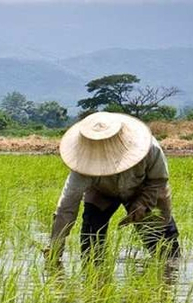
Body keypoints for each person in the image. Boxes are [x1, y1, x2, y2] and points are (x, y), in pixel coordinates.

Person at [44, 112, 179, 266]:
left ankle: (168, 277)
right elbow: (66, 207)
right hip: (101, 193)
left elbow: (159, 180)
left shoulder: (149, 148)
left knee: (166, 248)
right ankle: (95, 281)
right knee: (91, 244)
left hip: (143, 189)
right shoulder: (82, 165)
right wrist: (55, 247)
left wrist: (142, 203)